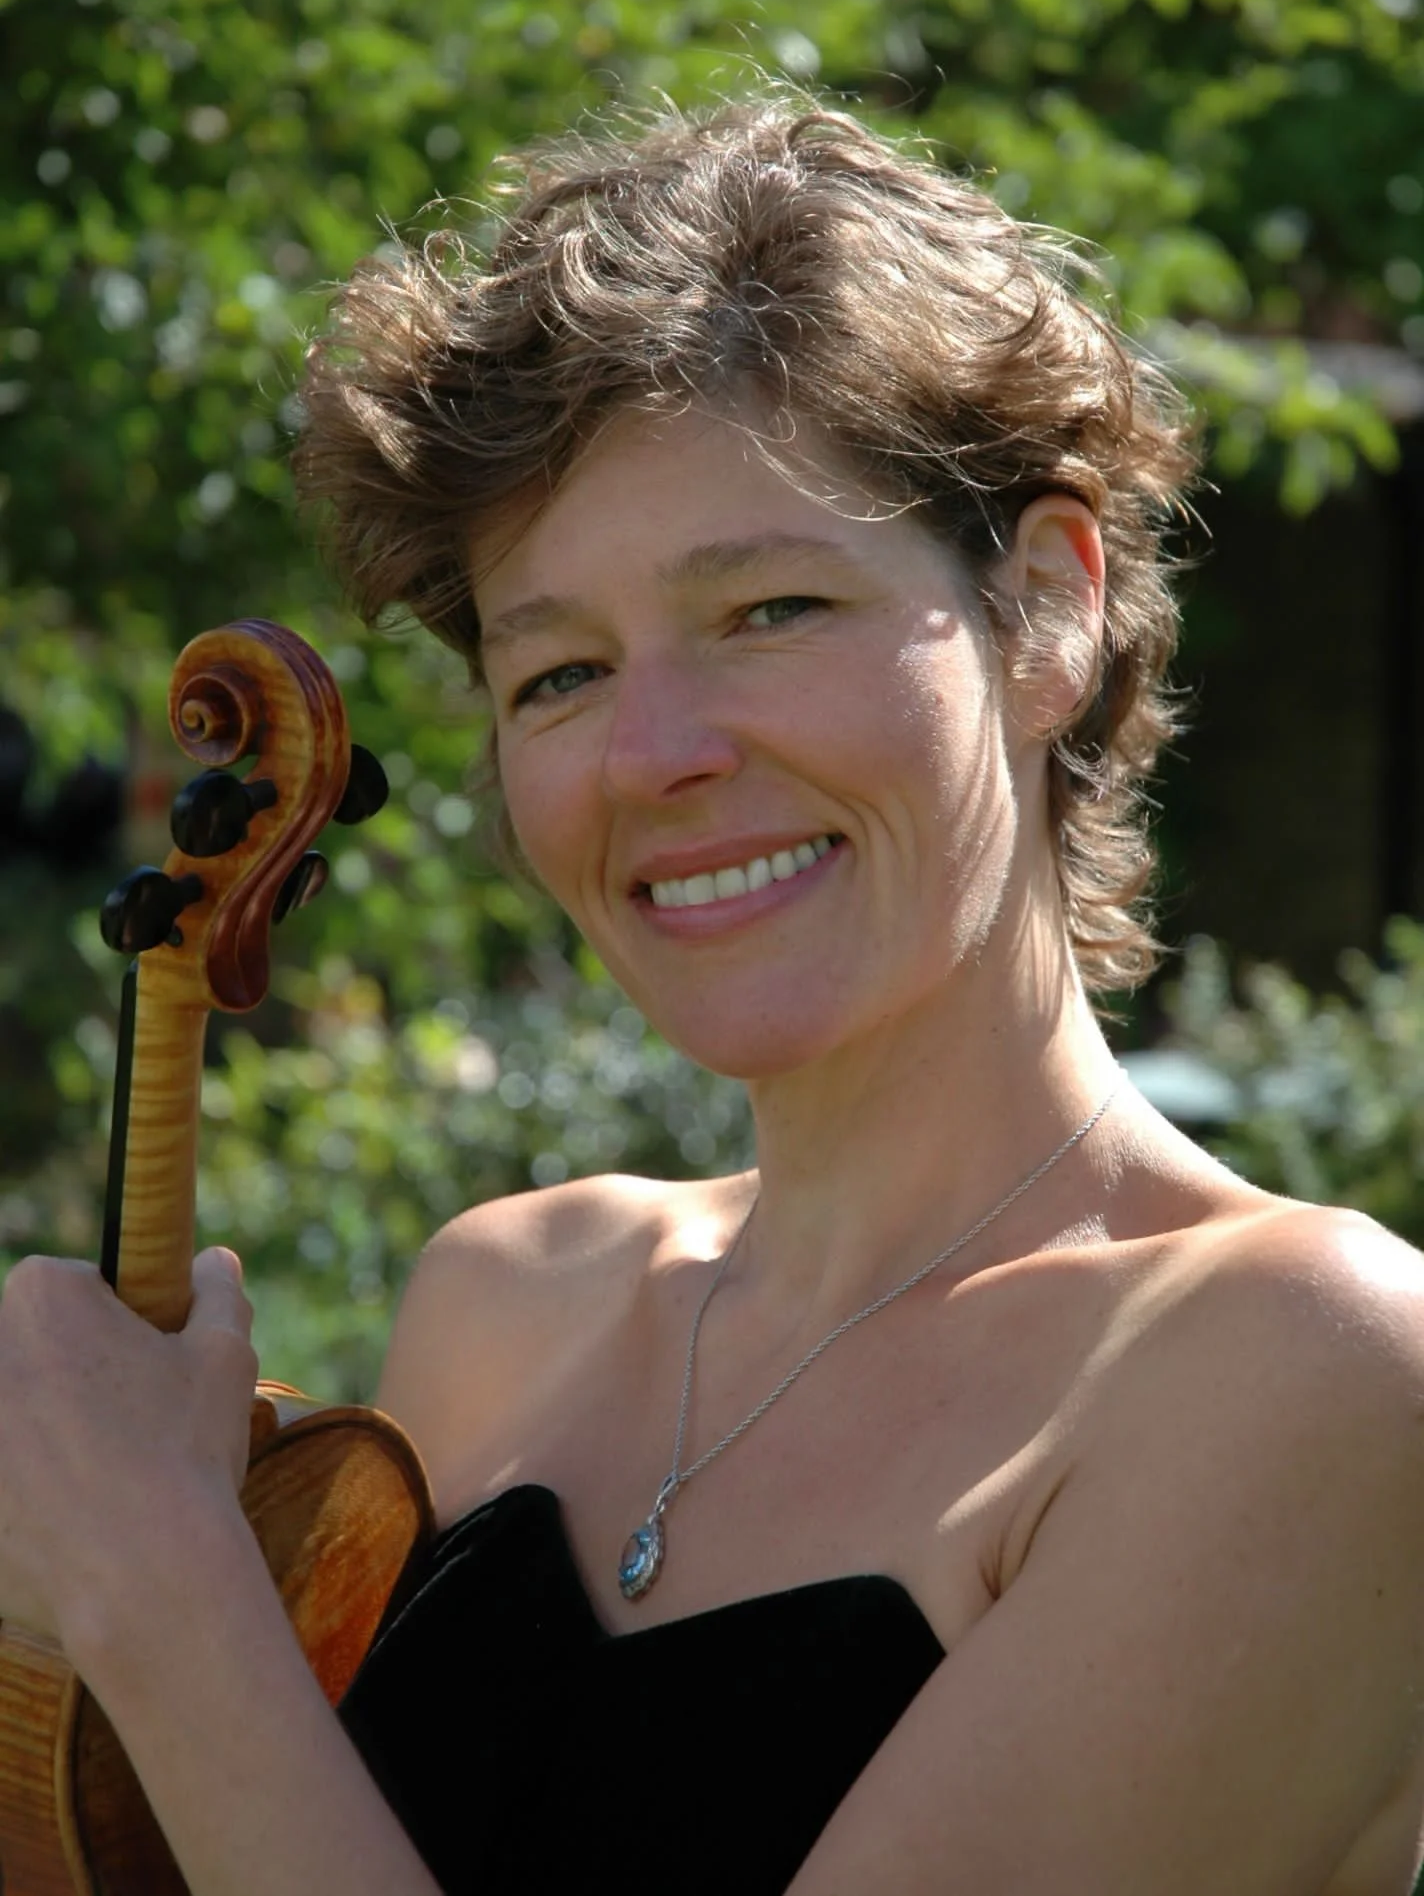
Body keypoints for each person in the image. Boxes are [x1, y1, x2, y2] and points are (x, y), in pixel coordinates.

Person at [3, 92, 1424, 1896]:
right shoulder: (504, 1298)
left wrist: (160, 1586)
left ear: (1048, 611)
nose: (655, 754)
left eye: (769, 611)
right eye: (560, 673)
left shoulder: (1305, 1367)